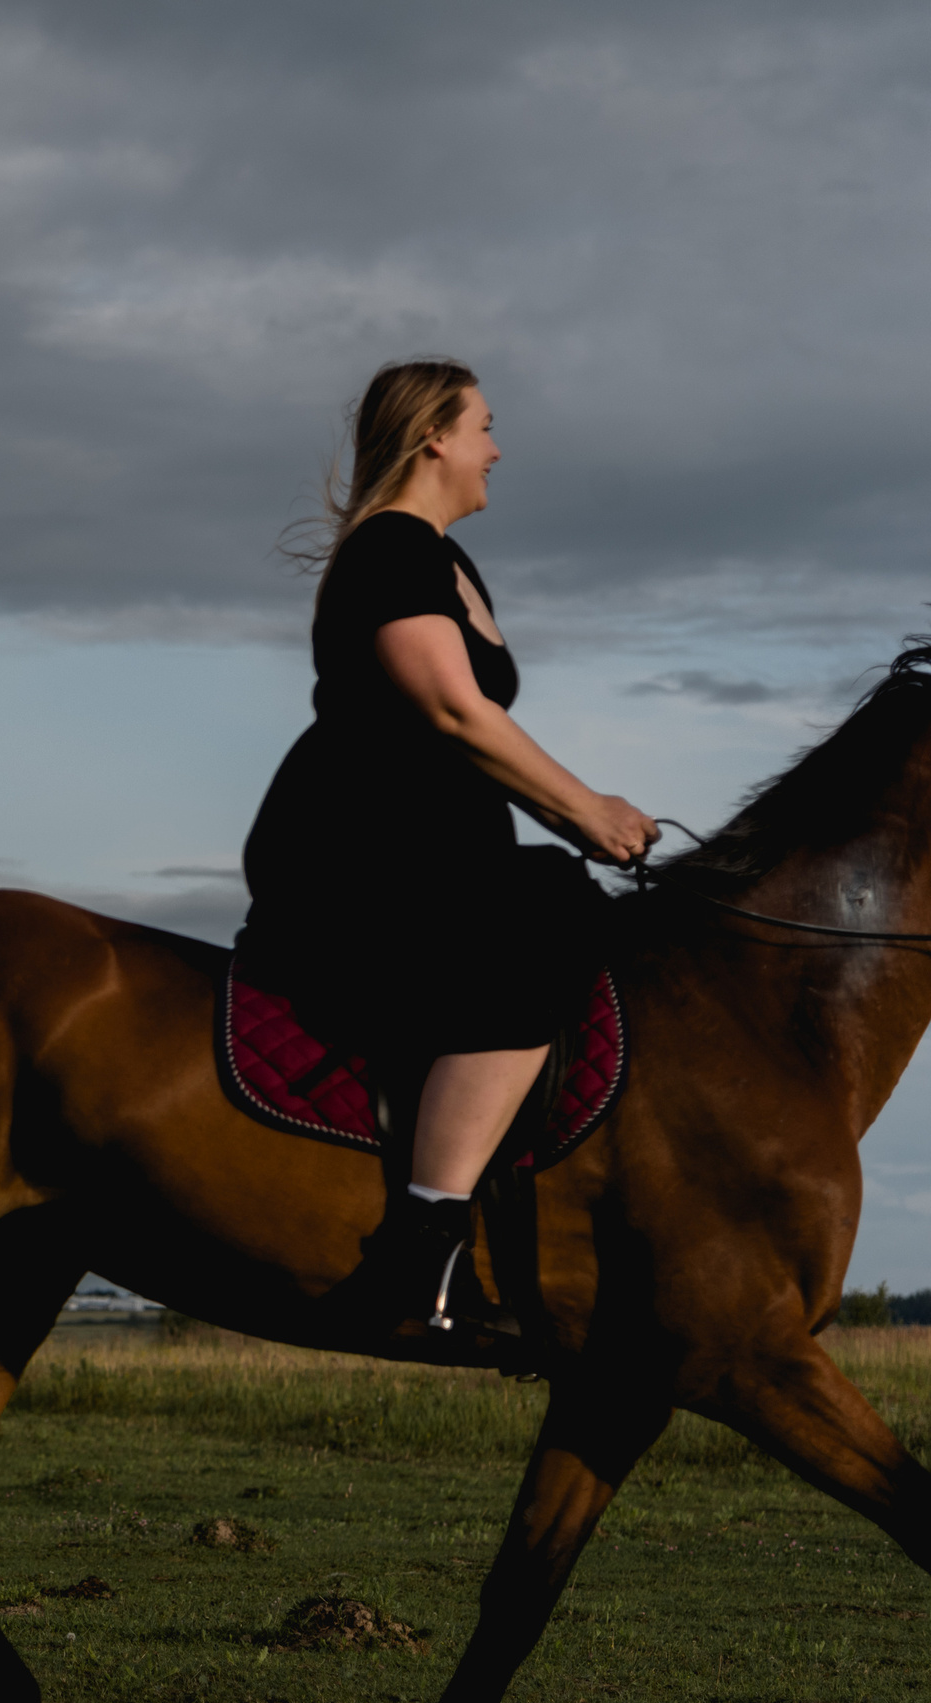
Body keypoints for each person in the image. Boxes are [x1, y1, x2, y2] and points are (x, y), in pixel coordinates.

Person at [239, 358, 658, 1328]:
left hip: (436, 842)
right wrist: (584, 810)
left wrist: (582, 822)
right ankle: (421, 1239)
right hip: (357, 849)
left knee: (560, 886)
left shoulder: (448, 562)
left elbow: (478, 740)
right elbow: (452, 710)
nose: (495, 448)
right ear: (434, 436)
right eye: (483, 426)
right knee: (546, 915)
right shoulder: (391, 550)